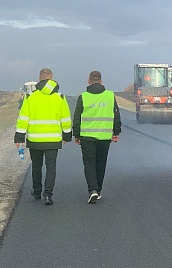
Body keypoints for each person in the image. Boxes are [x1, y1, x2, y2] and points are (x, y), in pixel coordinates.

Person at [14, 68, 72, 205]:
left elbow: (23, 119)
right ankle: (48, 194)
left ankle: (36, 191)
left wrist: (19, 138)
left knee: (36, 166)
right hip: (53, 140)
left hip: (35, 139)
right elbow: (66, 119)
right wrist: (67, 136)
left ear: (39, 79)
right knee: (51, 167)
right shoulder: (60, 98)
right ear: (51, 79)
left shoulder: (30, 97)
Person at [73, 70, 122, 203]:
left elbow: (76, 118)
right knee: (101, 163)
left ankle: (92, 190)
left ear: (88, 81)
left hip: (87, 137)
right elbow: (116, 115)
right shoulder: (110, 96)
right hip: (105, 137)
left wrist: (76, 135)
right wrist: (116, 132)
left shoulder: (83, 97)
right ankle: (98, 190)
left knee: (89, 163)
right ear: (101, 81)